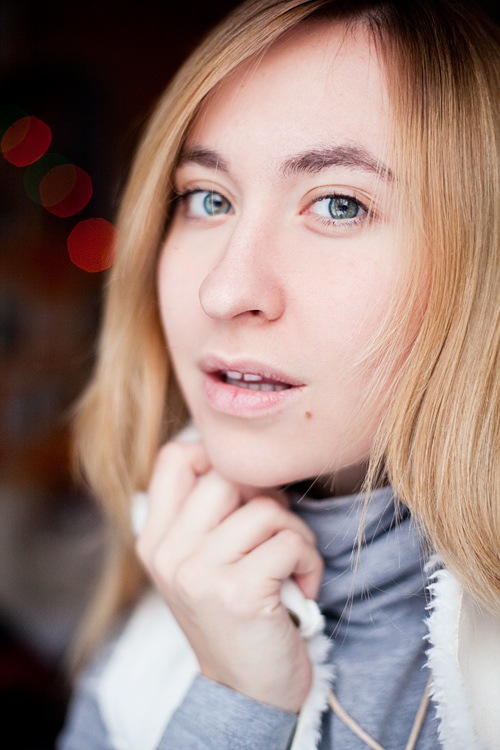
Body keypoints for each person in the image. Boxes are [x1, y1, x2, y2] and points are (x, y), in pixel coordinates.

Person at [56, 0, 500, 748]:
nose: (225, 290)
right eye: (208, 199)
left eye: (339, 204)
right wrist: (235, 700)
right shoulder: (147, 654)